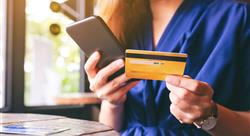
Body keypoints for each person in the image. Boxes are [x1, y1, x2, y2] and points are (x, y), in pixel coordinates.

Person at [84, 0, 250, 135]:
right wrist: (112, 102)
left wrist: (210, 116)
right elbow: (113, 128)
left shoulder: (238, 17)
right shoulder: (118, 19)